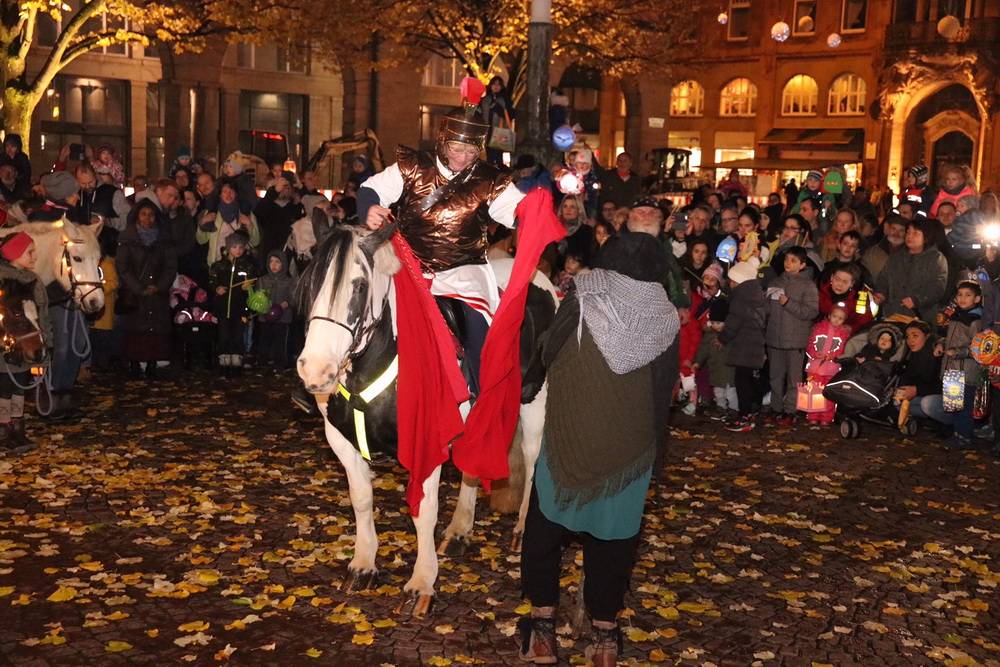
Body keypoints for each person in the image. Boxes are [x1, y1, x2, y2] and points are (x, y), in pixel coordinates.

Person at [519, 232, 677, 667]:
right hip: (629, 449)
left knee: (545, 531)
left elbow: (548, 350)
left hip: (571, 436)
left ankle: (542, 631)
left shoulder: (583, 299)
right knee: (614, 541)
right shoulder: (665, 317)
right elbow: (663, 393)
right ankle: (606, 637)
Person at [358, 93, 525, 395]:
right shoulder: (413, 166)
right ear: (443, 142)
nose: (463, 157)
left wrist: (533, 213)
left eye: (471, 150)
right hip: (407, 268)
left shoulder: (490, 180)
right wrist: (370, 208)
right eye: (457, 148)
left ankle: (479, 395)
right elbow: (372, 188)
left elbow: (516, 211)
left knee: (476, 326)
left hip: (463, 272)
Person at [0, 233, 51, 453]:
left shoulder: (34, 281)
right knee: (4, 386)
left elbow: (42, 314)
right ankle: (4, 427)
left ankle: (18, 427)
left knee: (20, 383)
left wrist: (46, 342)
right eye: (29, 252)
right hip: (6, 345)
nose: (34, 256)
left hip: (28, 342)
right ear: (14, 253)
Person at [116, 200, 177, 380]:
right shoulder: (127, 238)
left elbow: (170, 266)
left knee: (155, 329)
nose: (147, 218)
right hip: (134, 293)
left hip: (157, 291)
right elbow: (123, 267)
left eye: (151, 214)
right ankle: (134, 362)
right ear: (137, 215)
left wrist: (159, 286)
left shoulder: (164, 239)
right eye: (143, 214)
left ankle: (152, 362)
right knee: (135, 328)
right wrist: (139, 288)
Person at [764, 247, 819, 426]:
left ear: (802, 265)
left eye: (794, 261)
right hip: (774, 338)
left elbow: (811, 312)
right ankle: (776, 408)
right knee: (775, 376)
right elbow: (767, 309)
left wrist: (788, 303)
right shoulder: (775, 281)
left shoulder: (808, 285)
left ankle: (790, 410)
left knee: (794, 379)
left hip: (795, 340)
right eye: (787, 260)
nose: (788, 263)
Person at [935, 280, 983, 448]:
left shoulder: (975, 320)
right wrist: (941, 344)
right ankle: (956, 433)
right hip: (952, 368)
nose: (963, 298)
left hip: (966, 371)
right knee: (953, 405)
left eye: (968, 295)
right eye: (960, 295)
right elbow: (948, 337)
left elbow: (979, 348)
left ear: (977, 299)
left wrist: (958, 352)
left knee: (964, 406)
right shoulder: (955, 316)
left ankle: (965, 436)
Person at [722, 258, 766, 432]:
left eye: (732, 280)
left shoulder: (740, 299)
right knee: (749, 380)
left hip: (744, 346)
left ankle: (744, 416)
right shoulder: (757, 296)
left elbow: (733, 323)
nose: (730, 283)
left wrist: (723, 338)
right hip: (755, 345)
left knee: (742, 382)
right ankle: (751, 411)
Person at [875, 218, 948, 320]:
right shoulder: (896, 257)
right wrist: (881, 293)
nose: (910, 236)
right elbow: (883, 278)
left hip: (920, 317)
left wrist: (917, 300)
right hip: (892, 314)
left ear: (926, 237)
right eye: (908, 232)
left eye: (915, 234)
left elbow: (937, 287)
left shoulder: (936, 259)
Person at [210, 233, 257, 375]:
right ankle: (223, 360)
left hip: (239, 308)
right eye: (234, 247)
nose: (238, 250)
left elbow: (252, 286)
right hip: (222, 308)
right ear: (228, 247)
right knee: (223, 335)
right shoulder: (218, 266)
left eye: (241, 247)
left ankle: (236, 361)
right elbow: (211, 281)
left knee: (238, 335)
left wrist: (247, 287)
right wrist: (216, 288)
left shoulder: (247, 266)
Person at [805, 305, 852, 425]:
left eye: (840, 318)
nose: (836, 320)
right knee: (814, 392)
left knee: (829, 394)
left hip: (832, 368)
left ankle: (826, 417)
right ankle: (813, 416)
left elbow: (843, 350)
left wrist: (833, 356)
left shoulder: (843, 334)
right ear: (829, 316)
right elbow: (810, 344)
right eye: (835, 316)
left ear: (844, 320)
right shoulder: (818, 328)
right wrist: (815, 353)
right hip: (815, 367)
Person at [197, 181, 260, 267]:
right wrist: (202, 222)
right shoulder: (212, 213)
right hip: (217, 265)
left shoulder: (246, 213)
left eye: (231, 191)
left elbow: (255, 241)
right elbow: (201, 240)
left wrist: (249, 225)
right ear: (220, 195)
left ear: (236, 194)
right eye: (225, 191)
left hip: (240, 264)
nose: (228, 194)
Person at [257, 251, 296, 368]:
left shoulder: (289, 281)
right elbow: (258, 296)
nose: (273, 265)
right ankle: (262, 363)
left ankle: (280, 364)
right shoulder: (262, 280)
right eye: (271, 262)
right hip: (265, 316)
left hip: (283, 317)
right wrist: (262, 304)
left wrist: (287, 303)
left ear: (283, 264)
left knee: (280, 341)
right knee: (264, 340)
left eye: (277, 262)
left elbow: (294, 297)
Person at [818, 265, 873, 334]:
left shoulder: (859, 300)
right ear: (832, 278)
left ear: (852, 284)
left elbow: (863, 320)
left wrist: (851, 328)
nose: (839, 284)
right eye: (837, 279)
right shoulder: (820, 293)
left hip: (844, 336)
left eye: (845, 282)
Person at [478, 75, 516, 167]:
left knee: (498, 159)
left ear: (502, 87)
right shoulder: (485, 100)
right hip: (487, 133)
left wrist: (499, 109)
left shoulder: (505, 100)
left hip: (500, 133)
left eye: (499, 84)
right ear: (490, 85)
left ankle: (499, 177)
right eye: (494, 84)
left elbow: (511, 115)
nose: (496, 86)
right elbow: (478, 113)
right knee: (489, 158)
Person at [861, 214, 907, 284]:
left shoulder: (909, 256)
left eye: (901, 230)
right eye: (893, 229)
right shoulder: (872, 252)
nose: (896, 234)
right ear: (887, 230)